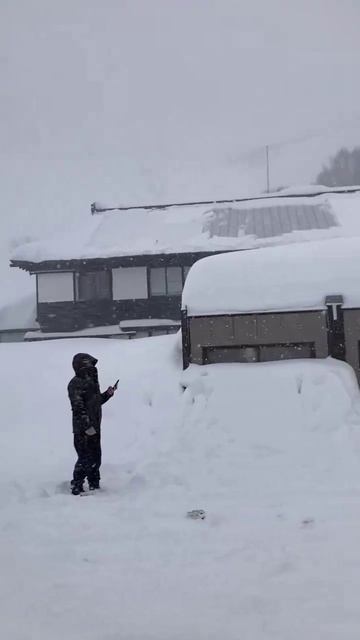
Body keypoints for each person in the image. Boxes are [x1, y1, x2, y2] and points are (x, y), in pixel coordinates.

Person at [68, 353, 116, 495]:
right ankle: (76, 485)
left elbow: (95, 402)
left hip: (94, 427)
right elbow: (78, 408)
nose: (91, 368)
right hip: (82, 429)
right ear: (80, 366)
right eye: (87, 365)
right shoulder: (75, 383)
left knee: (96, 457)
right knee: (85, 458)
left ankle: (94, 484)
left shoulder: (91, 383)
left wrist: (107, 394)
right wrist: (87, 426)